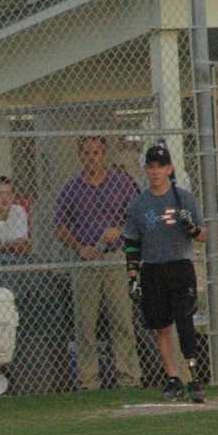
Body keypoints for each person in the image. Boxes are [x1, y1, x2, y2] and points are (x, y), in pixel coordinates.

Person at [53, 135, 142, 390]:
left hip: (114, 258)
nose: (92, 158)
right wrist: (80, 247)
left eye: (97, 153)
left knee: (122, 320)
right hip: (86, 261)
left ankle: (128, 377)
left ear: (104, 155)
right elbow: (59, 227)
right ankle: (88, 379)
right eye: (87, 153)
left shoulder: (121, 184)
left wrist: (120, 230)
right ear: (80, 156)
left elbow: (138, 216)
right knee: (85, 324)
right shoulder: (71, 188)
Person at [124, 145, 209, 403]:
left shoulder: (183, 198)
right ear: (145, 169)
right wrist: (133, 276)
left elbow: (203, 235)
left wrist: (191, 228)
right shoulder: (140, 205)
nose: (155, 172)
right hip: (153, 268)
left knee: (185, 321)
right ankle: (173, 378)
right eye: (151, 167)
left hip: (180, 266)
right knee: (161, 326)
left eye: (161, 166)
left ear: (169, 169)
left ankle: (194, 377)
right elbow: (133, 241)